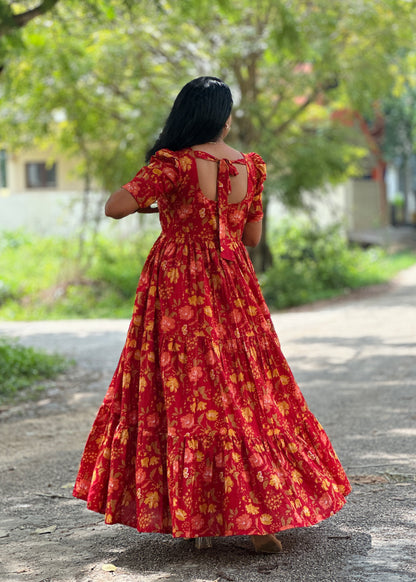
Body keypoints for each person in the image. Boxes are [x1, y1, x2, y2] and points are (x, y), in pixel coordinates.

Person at [73, 76, 351, 554]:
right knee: (246, 387)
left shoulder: (173, 164)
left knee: (189, 393)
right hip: (234, 284)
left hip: (181, 287)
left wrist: (160, 204)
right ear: (223, 118)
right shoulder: (251, 167)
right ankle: (257, 515)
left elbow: (114, 207)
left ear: (185, 115)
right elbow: (252, 239)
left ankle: (199, 516)